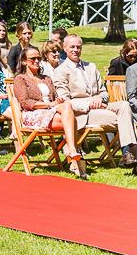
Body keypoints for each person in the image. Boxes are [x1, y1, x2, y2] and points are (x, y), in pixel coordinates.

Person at [54, 33, 137, 175]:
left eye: (78, 47)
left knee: (124, 105)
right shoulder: (60, 71)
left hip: (100, 107)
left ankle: (126, 153)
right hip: (82, 113)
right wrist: (90, 103)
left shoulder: (91, 67)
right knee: (126, 120)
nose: (75, 50)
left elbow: (104, 92)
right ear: (65, 48)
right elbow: (65, 101)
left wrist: (100, 98)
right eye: (72, 47)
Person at [13, 45, 87, 178]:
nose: (36, 61)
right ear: (24, 61)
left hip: (51, 111)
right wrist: (49, 104)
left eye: (38, 58)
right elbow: (25, 102)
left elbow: (54, 97)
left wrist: (57, 101)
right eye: (32, 59)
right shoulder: (20, 79)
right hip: (32, 114)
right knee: (72, 120)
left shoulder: (46, 78)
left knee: (67, 107)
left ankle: (71, 152)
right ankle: (74, 154)